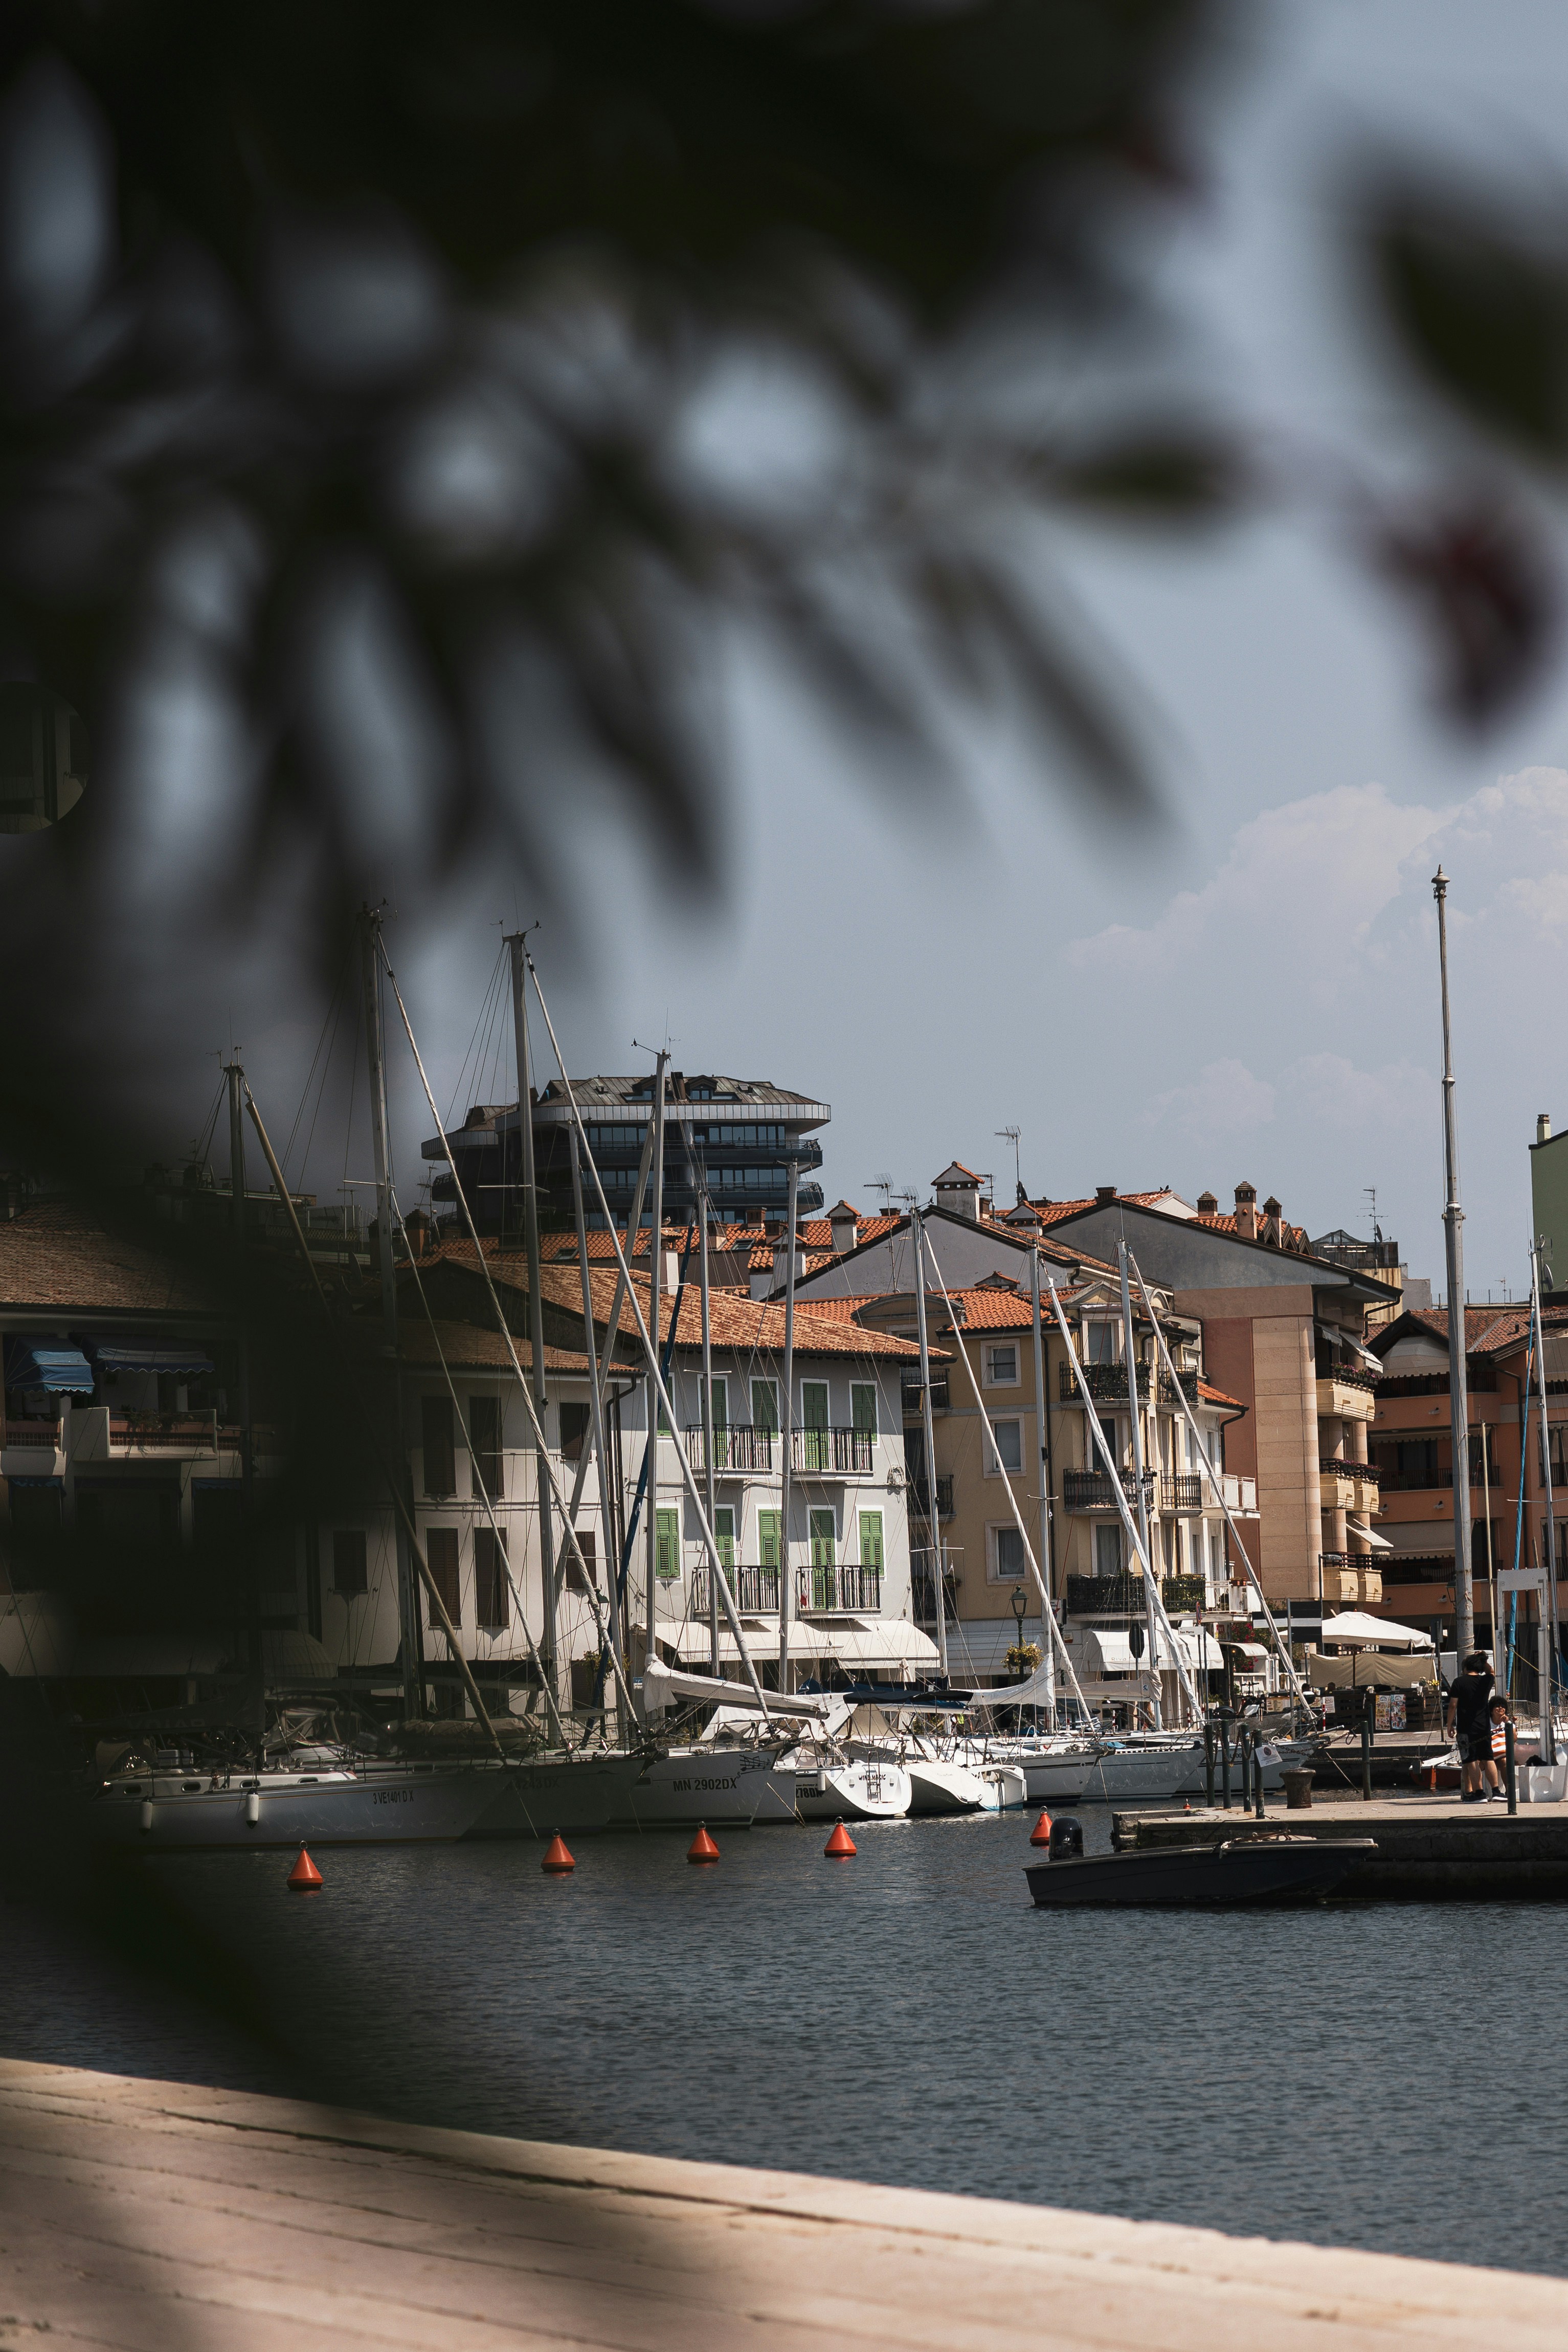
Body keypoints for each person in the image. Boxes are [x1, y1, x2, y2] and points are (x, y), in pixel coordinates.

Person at [1444, 1650, 1496, 1801]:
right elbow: (1491, 1671)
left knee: (1470, 1760)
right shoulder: (1485, 1681)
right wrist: (1483, 1659)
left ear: (1465, 1667)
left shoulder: (1459, 1682)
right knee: (1488, 1758)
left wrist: (1449, 1725)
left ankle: (1479, 1793)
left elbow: (1453, 1705)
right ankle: (1497, 1791)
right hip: (1484, 1727)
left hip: (1465, 1728)